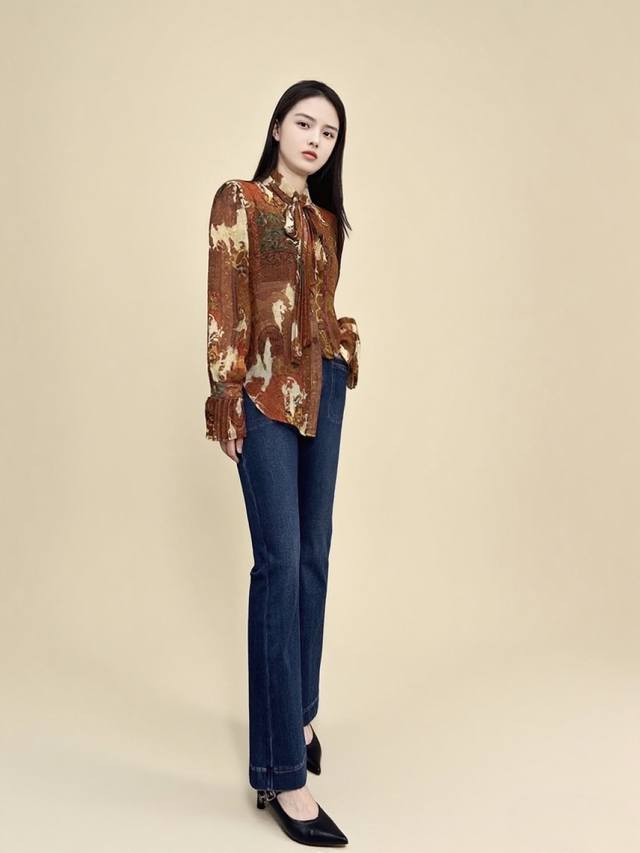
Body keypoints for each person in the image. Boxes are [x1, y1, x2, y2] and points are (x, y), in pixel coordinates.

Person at [205, 79, 360, 847]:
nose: (315, 140)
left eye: (329, 133)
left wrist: (342, 350)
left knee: (314, 556)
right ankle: (281, 773)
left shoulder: (328, 222)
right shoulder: (239, 200)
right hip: (263, 389)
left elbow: (321, 307)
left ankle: (297, 715)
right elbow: (226, 303)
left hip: (321, 386)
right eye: (304, 123)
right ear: (276, 127)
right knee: (279, 560)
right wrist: (225, 393)